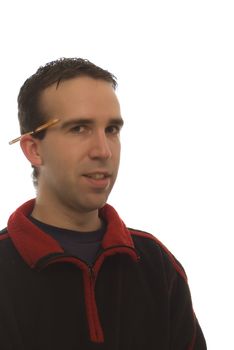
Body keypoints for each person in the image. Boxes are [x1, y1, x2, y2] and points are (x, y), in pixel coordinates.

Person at [0, 57, 206, 349]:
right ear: (34, 149)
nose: (103, 151)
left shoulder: (157, 265)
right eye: (79, 129)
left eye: (112, 130)